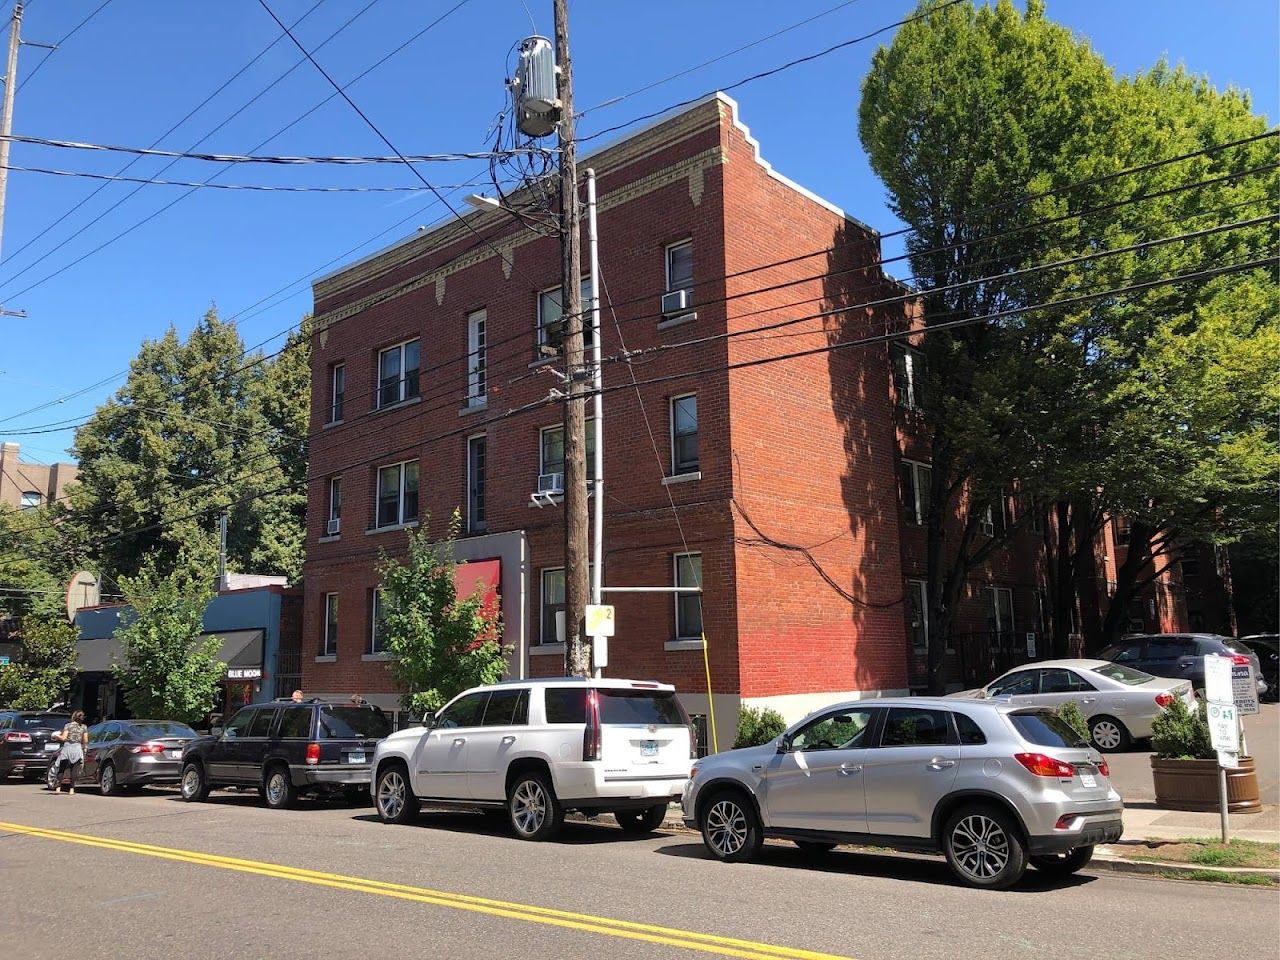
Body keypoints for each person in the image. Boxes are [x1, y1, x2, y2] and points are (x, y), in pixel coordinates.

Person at [51, 711, 89, 795]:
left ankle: (58, 788)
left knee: (62, 768)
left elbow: (64, 738)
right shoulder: (84, 727)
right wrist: (85, 748)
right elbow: (85, 740)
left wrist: (57, 736)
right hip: (77, 748)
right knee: (74, 770)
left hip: (67, 747)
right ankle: (71, 790)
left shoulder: (68, 725)